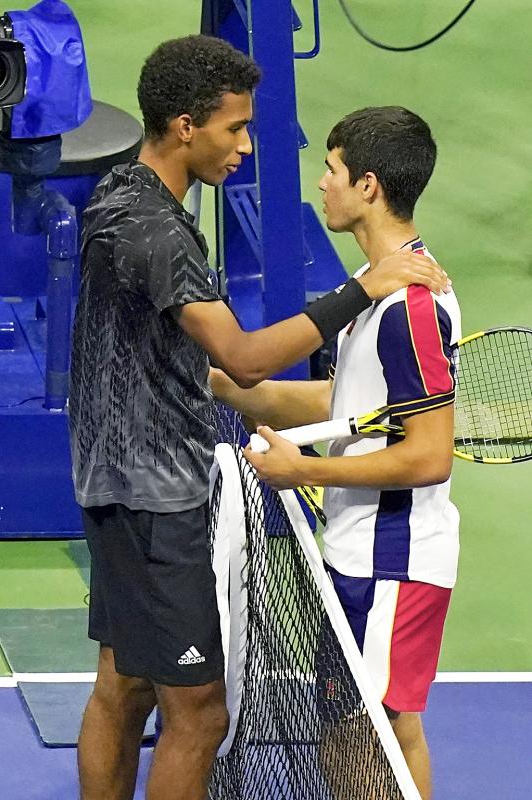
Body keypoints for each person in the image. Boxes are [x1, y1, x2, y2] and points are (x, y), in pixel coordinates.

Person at [69, 32, 451, 800]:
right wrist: (361, 287)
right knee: (200, 717)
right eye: (234, 127)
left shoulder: (122, 193)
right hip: (155, 499)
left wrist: (236, 397)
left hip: (120, 485)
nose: (246, 145)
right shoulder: (157, 231)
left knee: (125, 683)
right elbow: (243, 357)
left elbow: (241, 380)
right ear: (185, 126)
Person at [214, 106, 460, 800]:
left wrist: (303, 471)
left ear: (369, 186)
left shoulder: (410, 303)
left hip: (390, 561)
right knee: (385, 730)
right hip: (362, 552)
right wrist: (230, 387)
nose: (321, 183)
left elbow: (427, 455)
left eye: (331, 169)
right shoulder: (377, 285)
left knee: (360, 737)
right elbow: (347, 404)